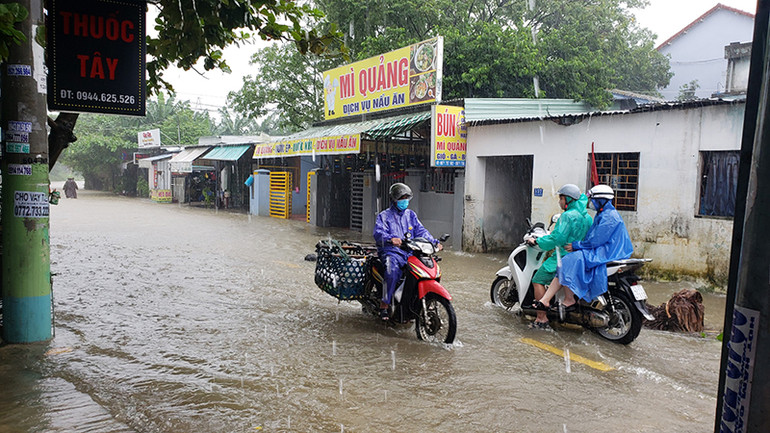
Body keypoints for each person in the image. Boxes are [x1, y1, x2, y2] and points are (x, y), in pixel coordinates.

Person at [531, 184, 633, 311]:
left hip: (607, 251)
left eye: (594, 200)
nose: (591, 203)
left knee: (564, 264)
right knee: (571, 261)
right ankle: (566, 299)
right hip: (605, 249)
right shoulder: (591, 216)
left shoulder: (607, 217)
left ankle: (547, 308)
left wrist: (575, 245)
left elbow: (562, 238)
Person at [524, 184, 592, 329]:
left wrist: (537, 241)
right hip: (580, 257)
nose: (559, 202)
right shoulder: (587, 217)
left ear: (567, 199)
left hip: (562, 257)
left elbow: (557, 239)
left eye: (560, 198)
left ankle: (541, 318)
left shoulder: (566, 216)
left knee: (538, 279)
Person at [373, 182, 442, 321]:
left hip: (410, 252)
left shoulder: (411, 215)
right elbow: (378, 233)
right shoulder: (384, 216)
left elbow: (421, 231)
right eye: (401, 198)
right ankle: (384, 304)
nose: (405, 201)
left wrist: (434, 242)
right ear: (394, 199)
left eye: (406, 198)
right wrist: (391, 238)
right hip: (391, 251)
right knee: (392, 272)